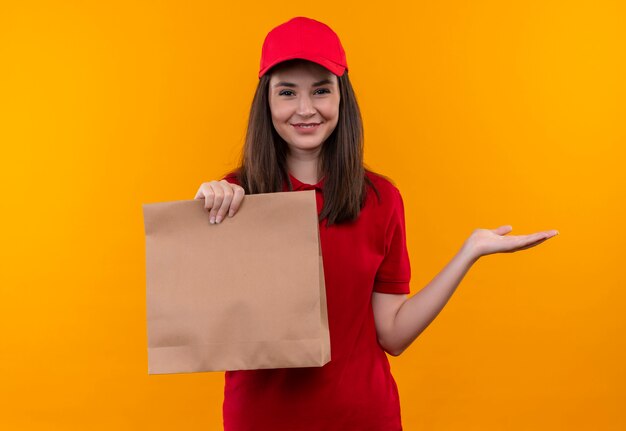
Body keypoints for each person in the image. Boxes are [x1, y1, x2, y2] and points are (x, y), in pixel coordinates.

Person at [194, 16, 559, 431]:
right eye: (287, 92)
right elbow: (210, 319)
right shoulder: (235, 197)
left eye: (320, 90)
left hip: (364, 418)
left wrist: (468, 252)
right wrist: (205, 212)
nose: (305, 108)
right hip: (261, 420)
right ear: (267, 102)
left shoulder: (380, 200)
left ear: (341, 97)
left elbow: (393, 335)